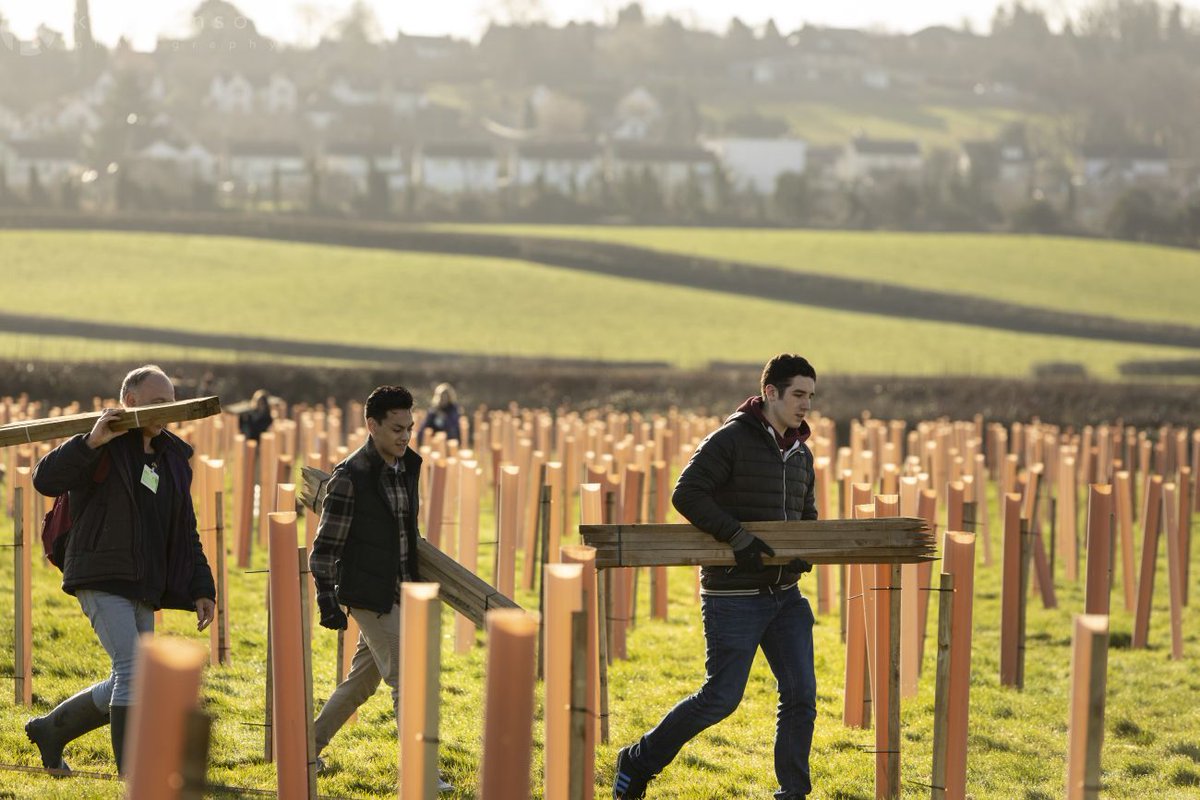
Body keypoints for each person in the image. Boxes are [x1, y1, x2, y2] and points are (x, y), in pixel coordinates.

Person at [613, 354, 819, 800]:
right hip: (734, 594)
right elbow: (685, 493)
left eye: (810, 396)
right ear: (771, 393)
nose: (806, 405)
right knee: (721, 698)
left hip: (787, 596)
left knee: (801, 696)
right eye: (798, 394)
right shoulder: (730, 439)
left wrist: (803, 551)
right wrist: (738, 538)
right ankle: (637, 761)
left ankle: (793, 793)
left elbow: (807, 513)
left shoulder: (802, 452)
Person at [27, 364, 217, 775]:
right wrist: (91, 441)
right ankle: (135, 777)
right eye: (156, 403)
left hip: (143, 583)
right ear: (129, 403)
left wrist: (203, 585)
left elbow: (185, 527)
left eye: (171, 402)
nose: (168, 411)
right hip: (98, 573)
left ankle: (50, 730)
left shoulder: (173, 459)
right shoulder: (103, 443)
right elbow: (45, 479)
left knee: (134, 679)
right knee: (133, 671)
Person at [309, 384, 452, 791]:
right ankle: (421, 775)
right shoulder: (350, 478)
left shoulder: (408, 467)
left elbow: (407, 534)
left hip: (403, 591)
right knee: (407, 679)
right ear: (371, 426)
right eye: (396, 429)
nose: (405, 437)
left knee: (362, 682)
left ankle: (305, 748)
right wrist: (328, 601)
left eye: (410, 427)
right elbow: (324, 549)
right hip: (370, 596)